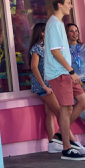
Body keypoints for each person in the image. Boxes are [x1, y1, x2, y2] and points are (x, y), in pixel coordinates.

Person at [44, 0, 85, 161]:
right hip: (59, 73)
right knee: (66, 108)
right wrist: (71, 71)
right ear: (59, 4)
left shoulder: (58, 23)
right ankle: (66, 148)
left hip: (65, 72)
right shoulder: (54, 24)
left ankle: (60, 135)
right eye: (68, 3)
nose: (70, 6)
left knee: (83, 101)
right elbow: (55, 51)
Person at [28, 23, 62, 154]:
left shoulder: (46, 47)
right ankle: (67, 140)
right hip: (44, 86)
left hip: (49, 85)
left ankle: (52, 143)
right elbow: (34, 67)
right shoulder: (37, 48)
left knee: (51, 113)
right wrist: (44, 86)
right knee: (60, 113)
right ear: (42, 33)